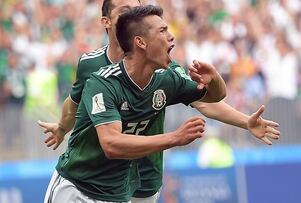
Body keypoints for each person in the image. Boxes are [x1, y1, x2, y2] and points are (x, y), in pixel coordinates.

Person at [38, 0, 280, 202]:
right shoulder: (94, 70)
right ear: (107, 22)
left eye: (138, 7)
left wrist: (244, 118)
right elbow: (76, 104)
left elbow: (206, 101)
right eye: (126, 10)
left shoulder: (165, 72)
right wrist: (62, 128)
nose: (133, 13)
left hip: (141, 175)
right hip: (84, 179)